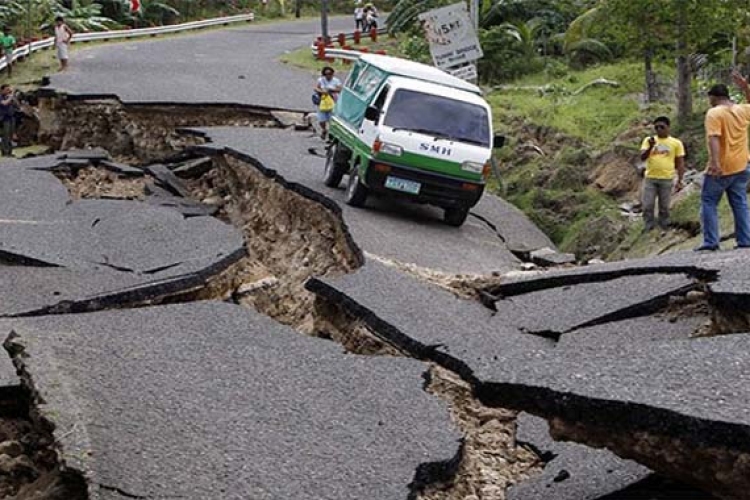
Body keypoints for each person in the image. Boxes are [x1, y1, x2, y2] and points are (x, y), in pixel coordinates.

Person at [696, 73, 750, 251]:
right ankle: (745, 239)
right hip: (742, 165)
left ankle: (711, 241)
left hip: (723, 167)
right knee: (739, 202)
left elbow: (714, 138)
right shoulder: (741, 110)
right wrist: (745, 88)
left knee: (709, 201)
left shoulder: (714, 113)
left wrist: (715, 163)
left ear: (713, 97)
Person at [639, 116, 685, 234]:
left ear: (668, 128)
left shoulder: (676, 143)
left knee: (664, 205)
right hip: (651, 178)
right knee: (647, 204)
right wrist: (650, 147)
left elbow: (680, 162)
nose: (659, 129)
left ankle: (663, 225)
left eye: (662, 127)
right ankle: (649, 226)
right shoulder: (648, 140)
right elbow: (642, 157)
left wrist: (680, 179)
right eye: (656, 127)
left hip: (667, 178)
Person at [314, 66, 342, 141]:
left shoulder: (336, 81)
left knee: (331, 120)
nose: (328, 75)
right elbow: (316, 88)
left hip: (333, 102)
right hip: (323, 102)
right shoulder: (321, 80)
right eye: (326, 74)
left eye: (330, 74)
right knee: (321, 120)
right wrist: (322, 91)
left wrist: (331, 90)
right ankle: (324, 129)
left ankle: (331, 135)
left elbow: (340, 89)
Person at [0, 84, 17, 157]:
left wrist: (13, 97)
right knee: (6, 135)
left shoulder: (9, 97)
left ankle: (10, 151)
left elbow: (17, 105)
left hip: (11, 118)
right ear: (2, 90)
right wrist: (11, 96)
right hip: (4, 118)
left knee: (10, 135)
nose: (8, 91)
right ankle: (5, 152)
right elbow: (4, 103)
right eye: (7, 89)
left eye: (9, 89)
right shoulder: (1, 97)